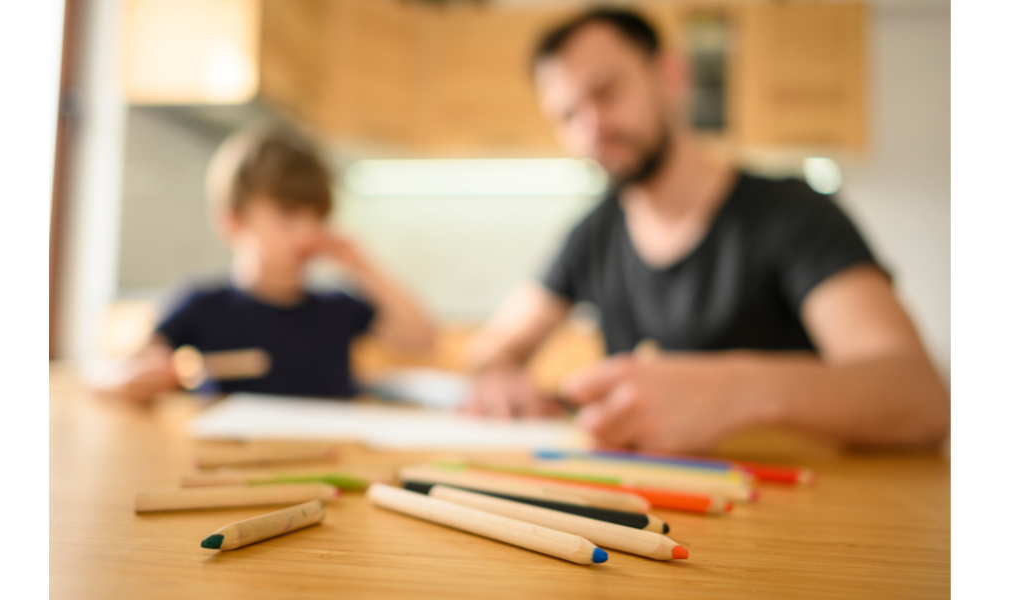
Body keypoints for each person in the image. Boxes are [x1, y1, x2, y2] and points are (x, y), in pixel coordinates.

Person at [461, 8, 949, 452]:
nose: (590, 126)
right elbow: (494, 345)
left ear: (670, 75)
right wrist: (498, 372)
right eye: (566, 115)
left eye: (606, 92)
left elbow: (918, 395)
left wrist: (736, 390)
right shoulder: (593, 233)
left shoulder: (792, 212)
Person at [91, 125, 435, 401]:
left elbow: (422, 338)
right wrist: (134, 379)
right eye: (288, 214)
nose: (307, 232)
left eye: (318, 216)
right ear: (234, 221)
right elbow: (110, 371)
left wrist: (359, 263)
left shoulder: (337, 309)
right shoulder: (201, 305)